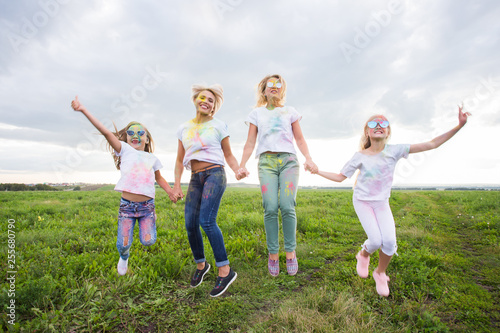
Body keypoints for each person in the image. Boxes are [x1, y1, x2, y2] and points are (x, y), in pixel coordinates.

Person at [307, 105, 471, 296]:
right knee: (375, 240)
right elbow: (340, 177)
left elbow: (432, 144)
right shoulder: (360, 156)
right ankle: (363, 255)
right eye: (373, 123)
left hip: (381, 202)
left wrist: (459, 126)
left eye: (383, 123)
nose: (378, 125)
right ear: (367, 132)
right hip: (362, 201)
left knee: (390, 242)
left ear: (388, 131)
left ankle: (380, 273)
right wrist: (317, 171)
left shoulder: (395, 150)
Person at [70, 96, 177, 276]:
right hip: (127, 206)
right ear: (126, 139)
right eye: (131, 133)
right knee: (124, 244)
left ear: (148, 140)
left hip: (147, 206)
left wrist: (171, 192)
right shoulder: (124, 150)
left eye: (140, 133)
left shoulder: (153, 158)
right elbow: (105, 132)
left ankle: (151, 217)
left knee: (149, 241)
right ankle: (124, 257)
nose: (135, 136)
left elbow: (159, 178)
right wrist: (83, 109)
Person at [238, 74, 318, 277]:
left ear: (282, 89)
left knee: (287, 205)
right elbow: (250, 142)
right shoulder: (256, 113)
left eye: (278, 84)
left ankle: (290, 253)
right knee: (271, 207)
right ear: (264, 89)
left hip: (289, 162)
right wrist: (242, 164)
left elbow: (299, 139)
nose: (274, 87)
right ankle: (273, 254)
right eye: (270, 85)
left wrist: (308, 158)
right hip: (267, 163)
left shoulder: (290, 111)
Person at [172, 84, 241, 297]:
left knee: (207, 221)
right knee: (190, 224)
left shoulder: (219, 126)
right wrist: (176, 184)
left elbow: (228, 154)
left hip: (215, 174)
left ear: (213, 107)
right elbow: (178, 159)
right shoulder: (184, 128)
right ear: (195, 100)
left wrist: (238, 168)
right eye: (203, 97)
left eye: (211, 100)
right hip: (194, 178)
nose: (206, 101)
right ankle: (202, 266)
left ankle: (225, 270)